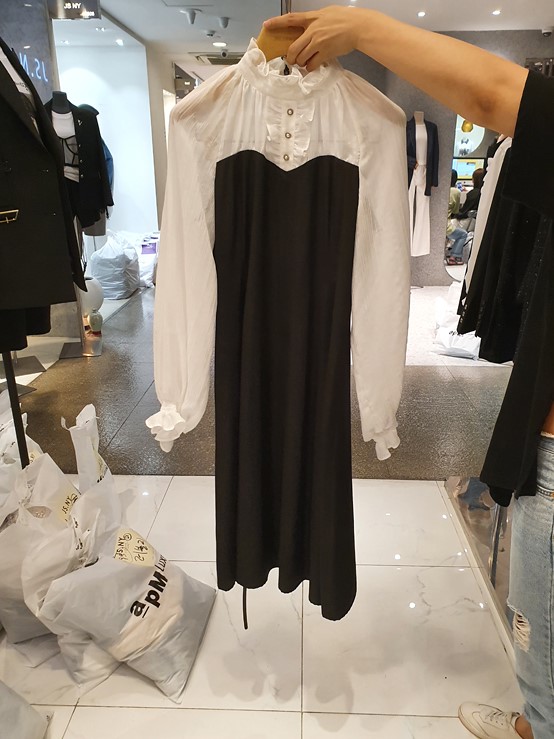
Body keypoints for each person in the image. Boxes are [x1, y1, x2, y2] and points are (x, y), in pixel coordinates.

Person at [264, 7, 553, 739]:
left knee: (542, 616)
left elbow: (496, 94)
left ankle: (541, 720)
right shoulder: (210, 118)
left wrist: (361, 26)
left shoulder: (384, 120)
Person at [447, 169, 468, 265]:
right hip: (446, 226)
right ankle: (454, 256)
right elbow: (455, 211)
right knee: (463, 234)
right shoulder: (456, 192)